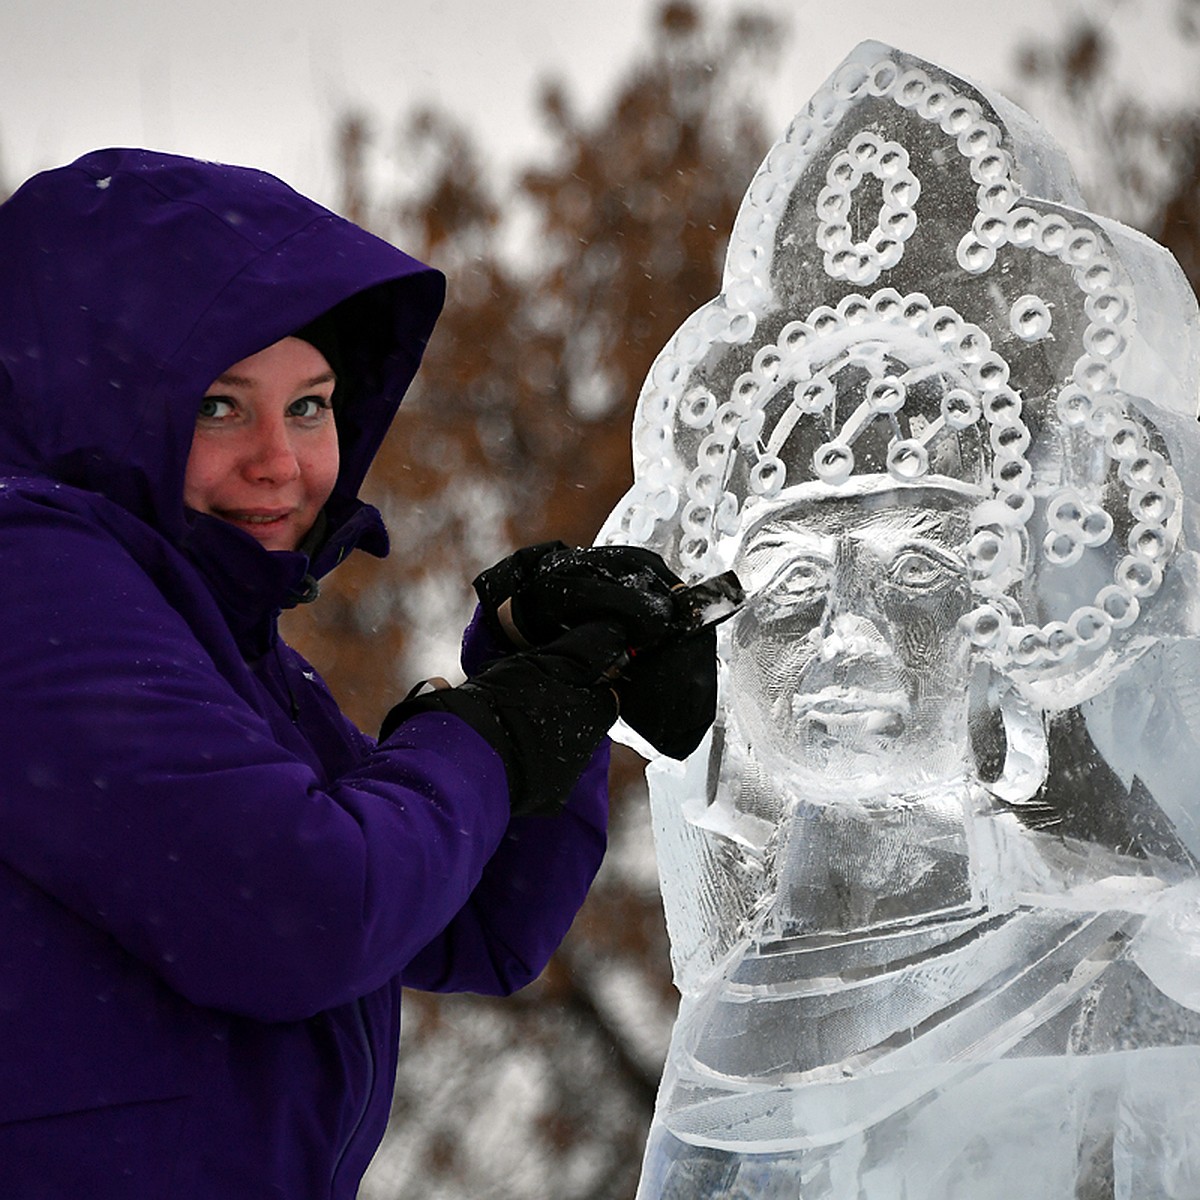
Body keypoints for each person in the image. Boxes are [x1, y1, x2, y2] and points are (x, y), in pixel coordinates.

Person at [0, 148, 716, 1197]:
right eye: (217, 406)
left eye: (310, 405)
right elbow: (308, 907)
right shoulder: (26, 582)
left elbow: (475, 928)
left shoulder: (225, 643)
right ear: (91, 395)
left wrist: (545, 685)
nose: (280, 461)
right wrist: (488, 737)